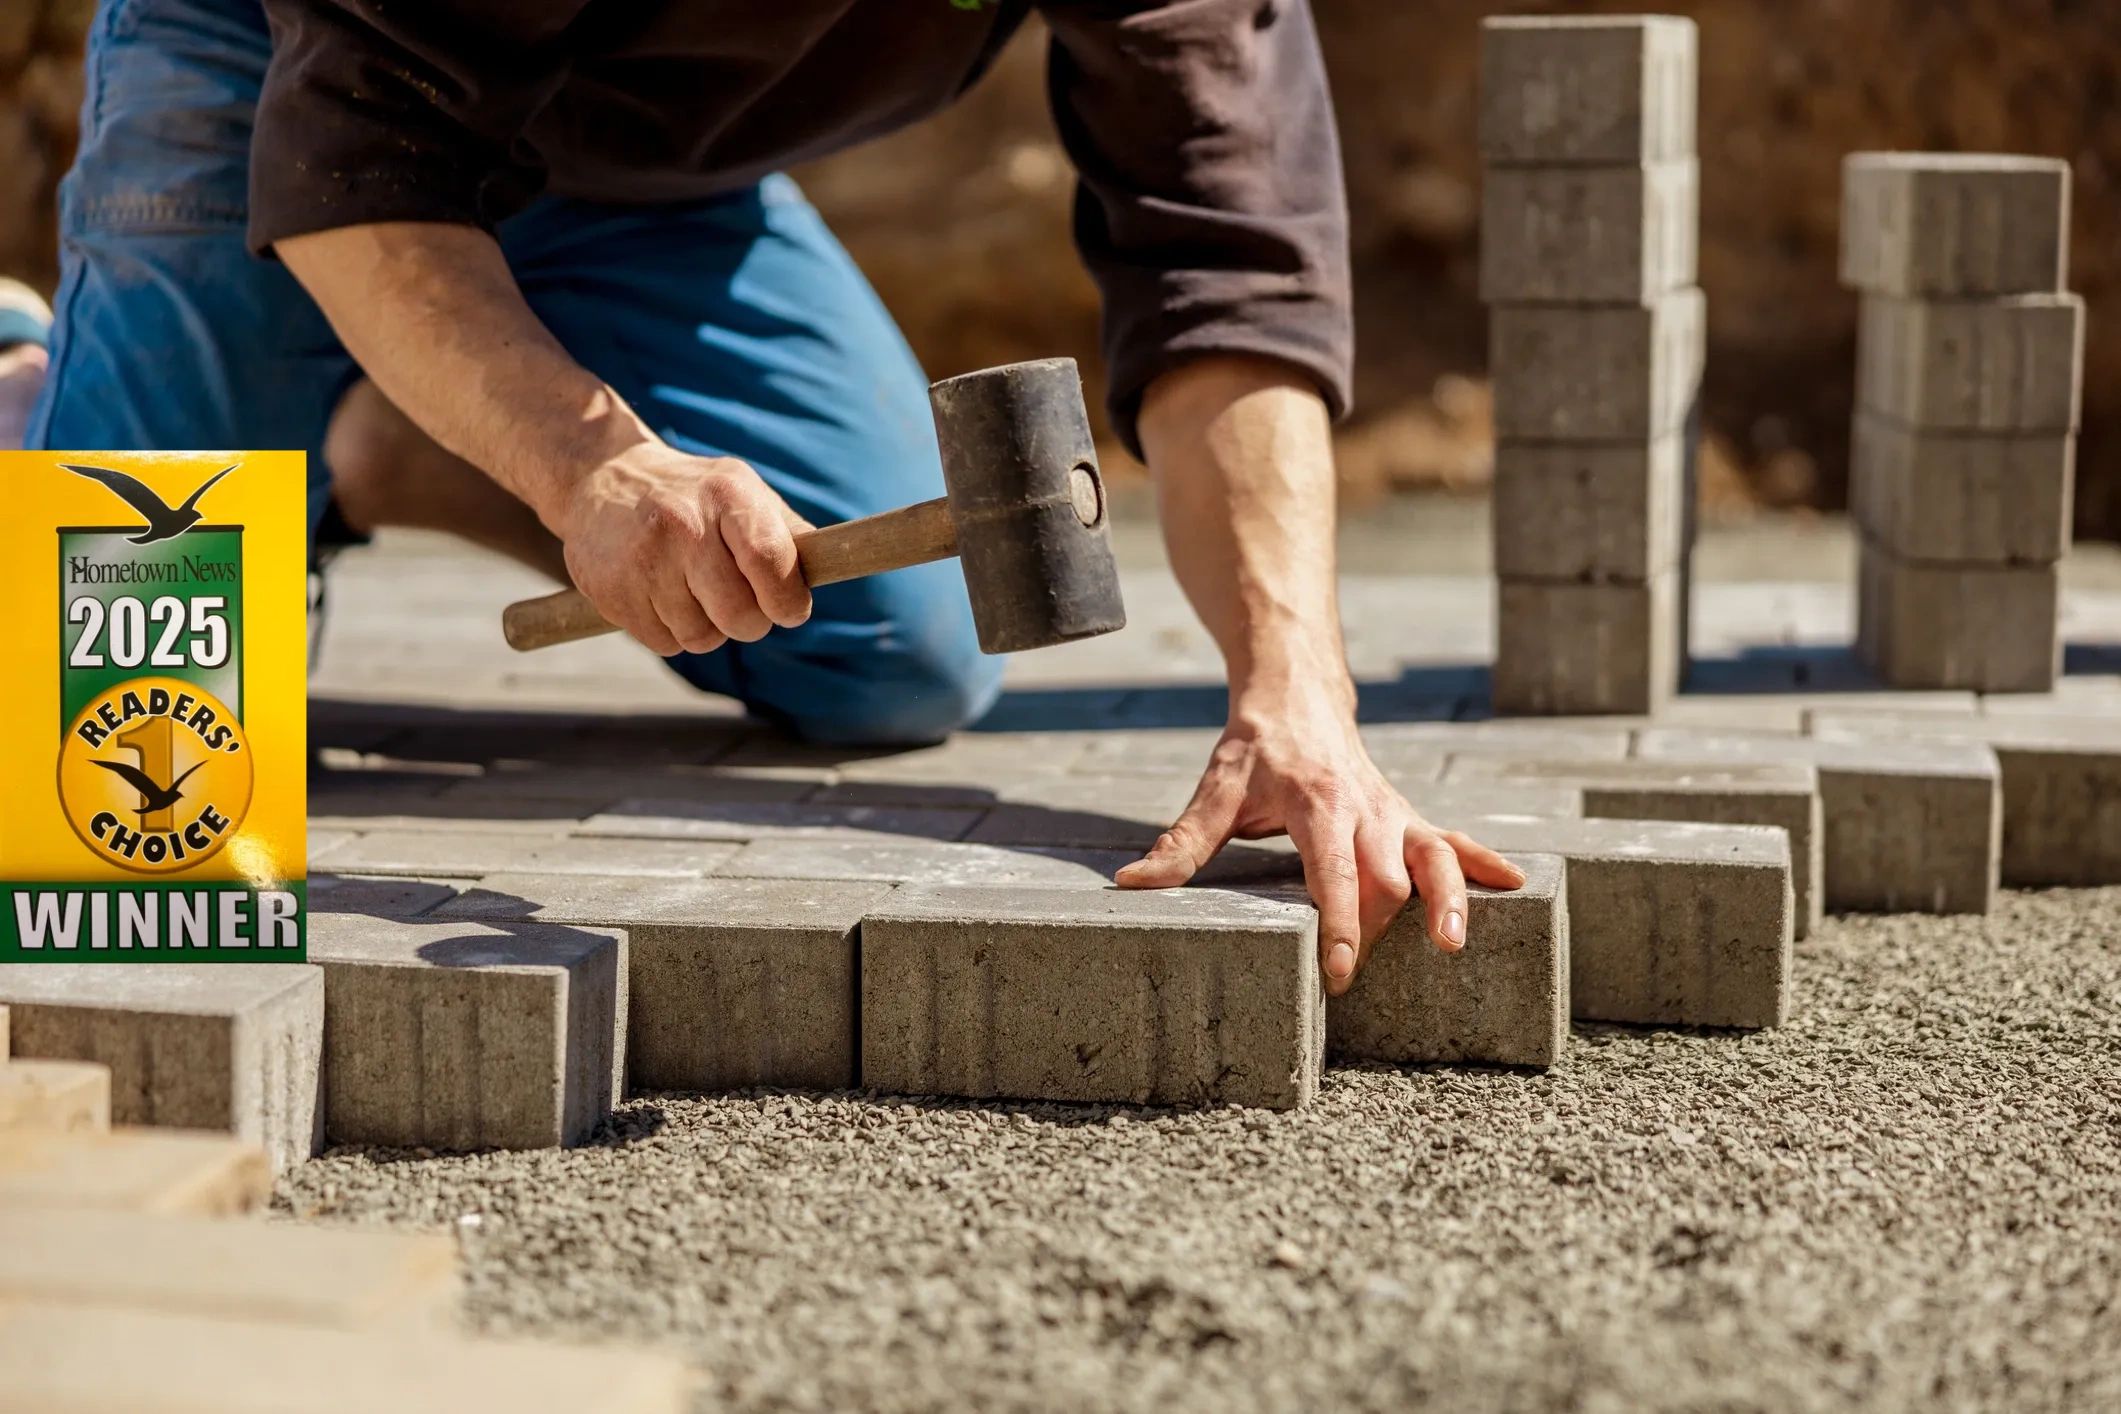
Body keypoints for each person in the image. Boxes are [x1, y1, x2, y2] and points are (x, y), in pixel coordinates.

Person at [16, 0, 1522, 994]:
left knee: (896, 655)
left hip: (653, 172)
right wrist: (591, 465)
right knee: (135, 837)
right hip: (285, 76)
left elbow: (1228, 262)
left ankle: (383, 432)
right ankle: (33, 391)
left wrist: (1298, 697)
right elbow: (360, 155)